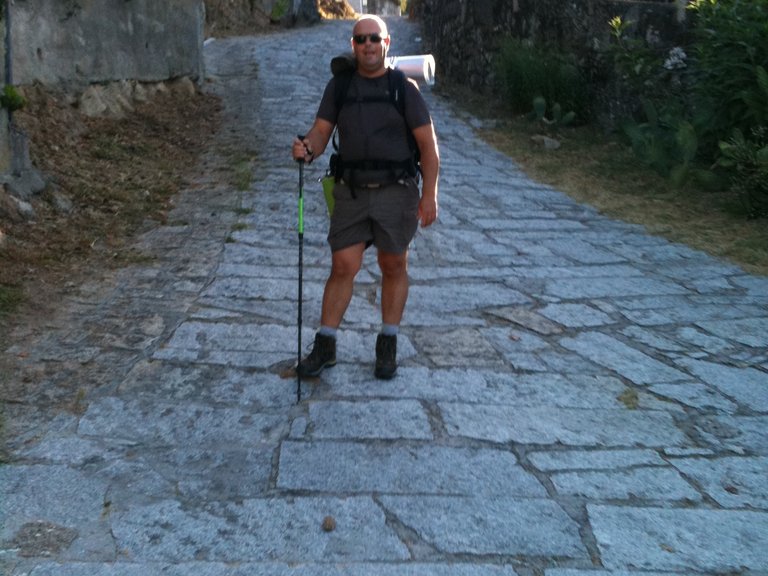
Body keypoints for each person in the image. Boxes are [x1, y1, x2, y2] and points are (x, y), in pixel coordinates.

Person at [291, 14, 440, 380]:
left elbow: (428, 147)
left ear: (386, 44)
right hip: (351, 192)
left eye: (375, 38)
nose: (368, 44)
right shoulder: (339, 87)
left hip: (397, 192)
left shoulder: (404, 89)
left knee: (393, 266)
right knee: (343, 265)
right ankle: (326, 345)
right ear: (353, 45)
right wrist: (307, 149)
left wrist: (430, 195)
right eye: (361, 40)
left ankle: (387, 342)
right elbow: (322, 132)